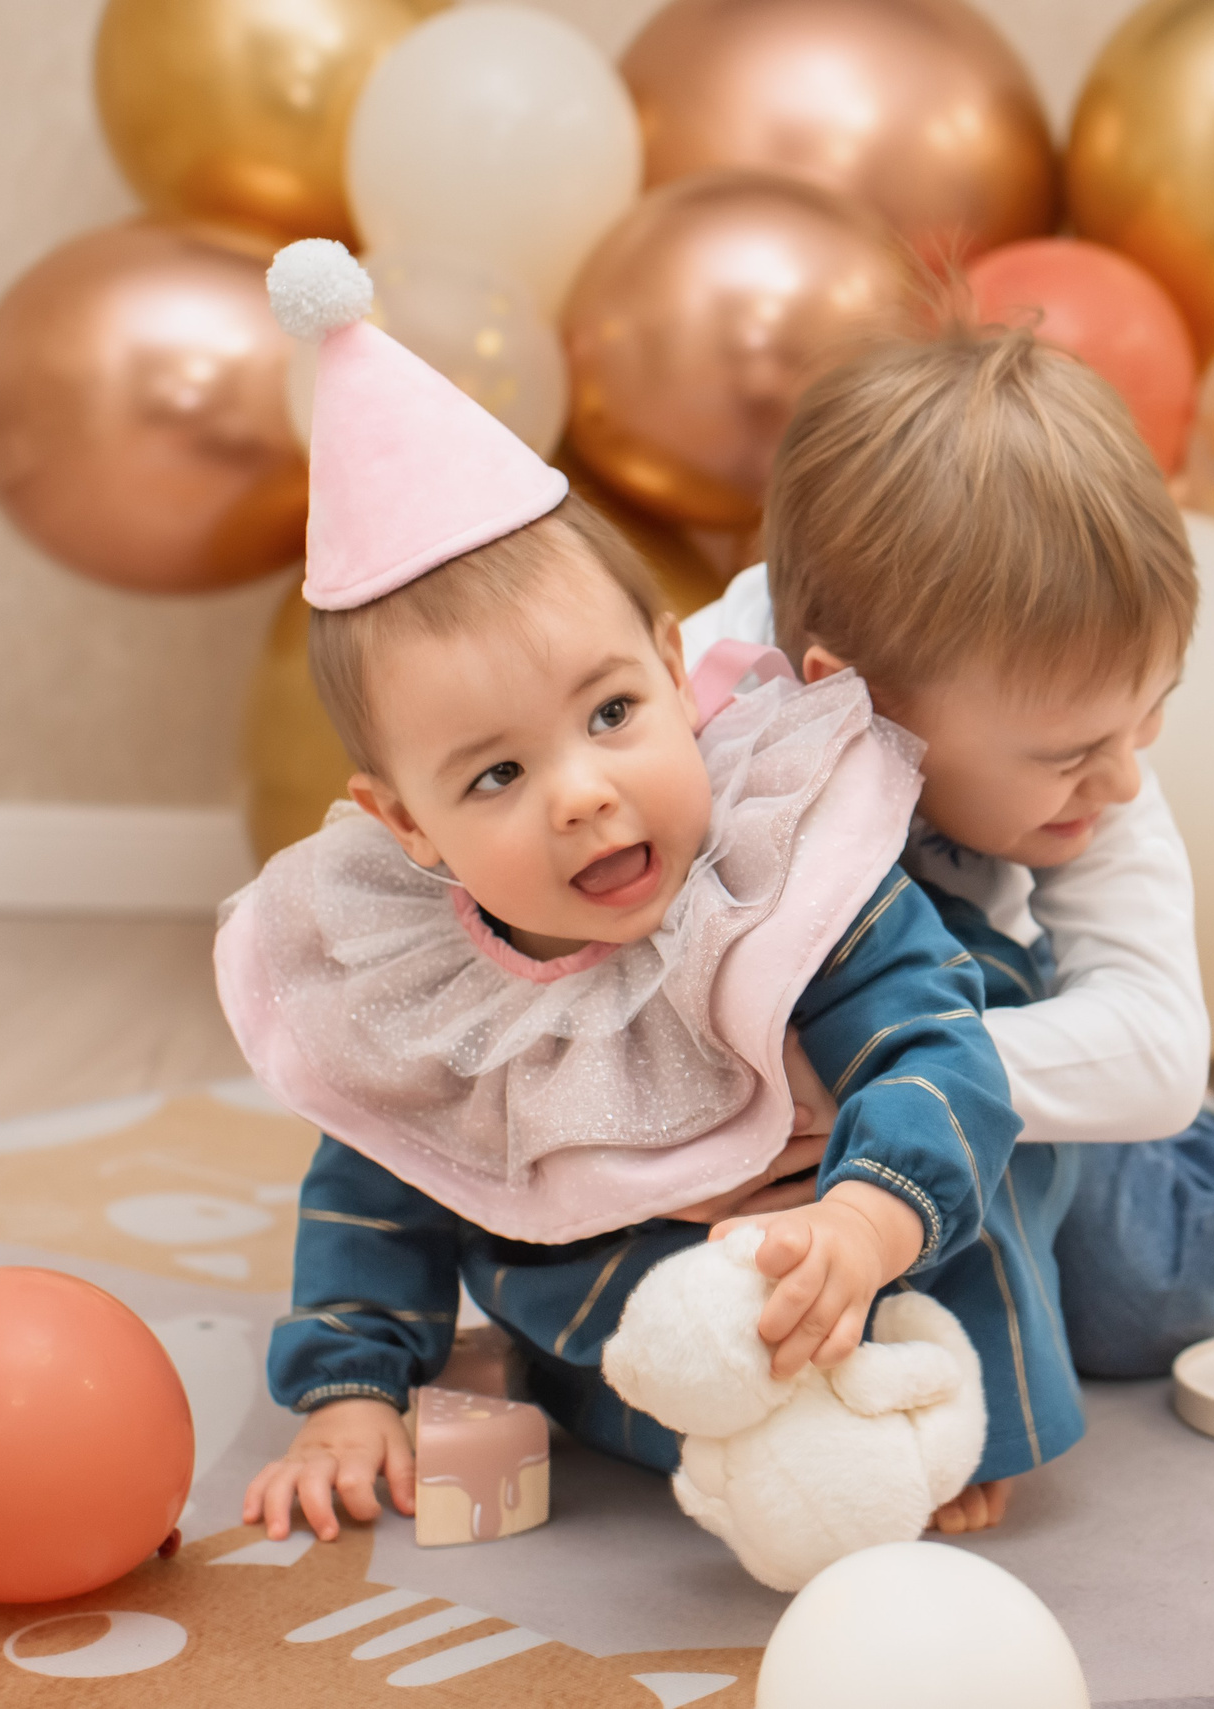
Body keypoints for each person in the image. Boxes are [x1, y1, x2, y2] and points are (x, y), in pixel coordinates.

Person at [220, 242, 1078, 1550]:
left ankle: (1169, 1179)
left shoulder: (773, 878)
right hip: (623, 1317)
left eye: (612, 712)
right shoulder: (430, 995)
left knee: (1085, 1245)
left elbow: (930, 1046)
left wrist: (868, 1215)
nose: (583, 794)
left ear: (674, 670)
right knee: (607, 1322)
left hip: (859, 1232)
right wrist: (349, 1390)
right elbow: (377, 1185)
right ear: (407, 822)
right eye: (497, 773)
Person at [680, 324, 1214, 1527]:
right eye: (1071, 753)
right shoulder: (687, 719)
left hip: (985, 1018)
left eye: (1148, 717)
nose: (1122, 777)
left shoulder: (1096, 760)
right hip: (787, 1052)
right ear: (858, 700)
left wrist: (869, 1080)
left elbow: (1154, 1050)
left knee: (1152, 1292)